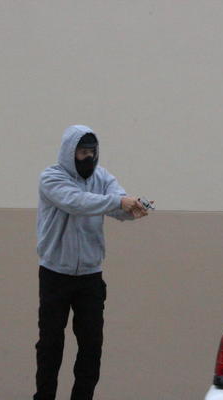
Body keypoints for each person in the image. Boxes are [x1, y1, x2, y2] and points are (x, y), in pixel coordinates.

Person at [34, 125, 149, 400]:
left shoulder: (103, 178)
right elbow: (77, 202)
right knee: (50, 343)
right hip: (55, 274)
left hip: (90, 276)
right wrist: (119, 202)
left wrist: (133, 208)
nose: (88, 157)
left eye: (91, 152)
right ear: (69, 152)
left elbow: (118, 208)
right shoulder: (51, 178)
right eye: (82, 152)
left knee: (91, 345)